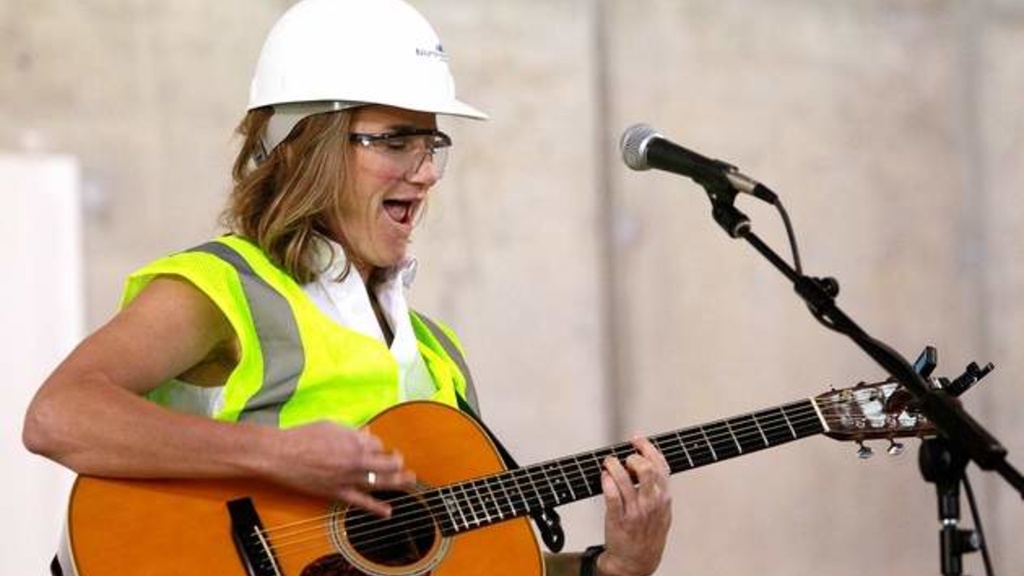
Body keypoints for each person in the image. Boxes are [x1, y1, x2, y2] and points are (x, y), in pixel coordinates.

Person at [22, 0, 672, 574]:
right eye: (395, 142)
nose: (425, 173)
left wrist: (611, 568)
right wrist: (276, 456)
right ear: (309, 147)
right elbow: (58, 415)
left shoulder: (434, 355)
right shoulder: (223, 287)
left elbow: (471, 562)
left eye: (432, 145)